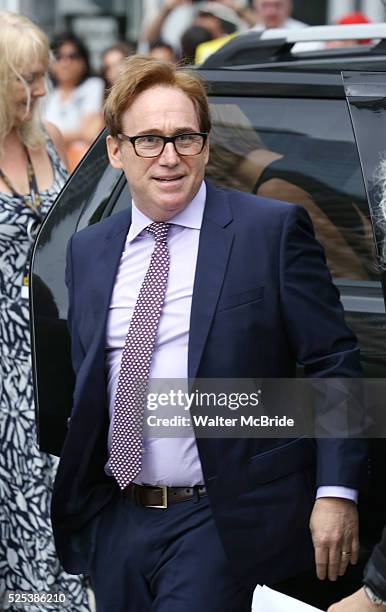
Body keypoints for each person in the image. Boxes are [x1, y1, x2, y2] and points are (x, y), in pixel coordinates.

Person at [52, 55, 367, 612]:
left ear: (205, 143)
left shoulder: (267, 231)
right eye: (149, 139)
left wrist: (335, 491)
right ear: (115, 150)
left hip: (221, 518)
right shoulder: (90, 250)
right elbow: (90, 381)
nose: (169, 157)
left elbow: (332, 360)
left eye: (185, 138)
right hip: (118, 520)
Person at [0, 11, 90, 610]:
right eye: (27, 78)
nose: (41, 87)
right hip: (4, 365)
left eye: (42, 74)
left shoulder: (49, 140)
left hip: (54, 353)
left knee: (61, 493)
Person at [44, 33, 104, 171]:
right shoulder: (45, 92)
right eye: (58, 57)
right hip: (48, 163)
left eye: (73, 56)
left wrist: (48, 138)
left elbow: (90, 133)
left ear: (84, 61)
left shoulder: (92, 86)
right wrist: (75, 134)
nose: (65, 63)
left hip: (80, 167)